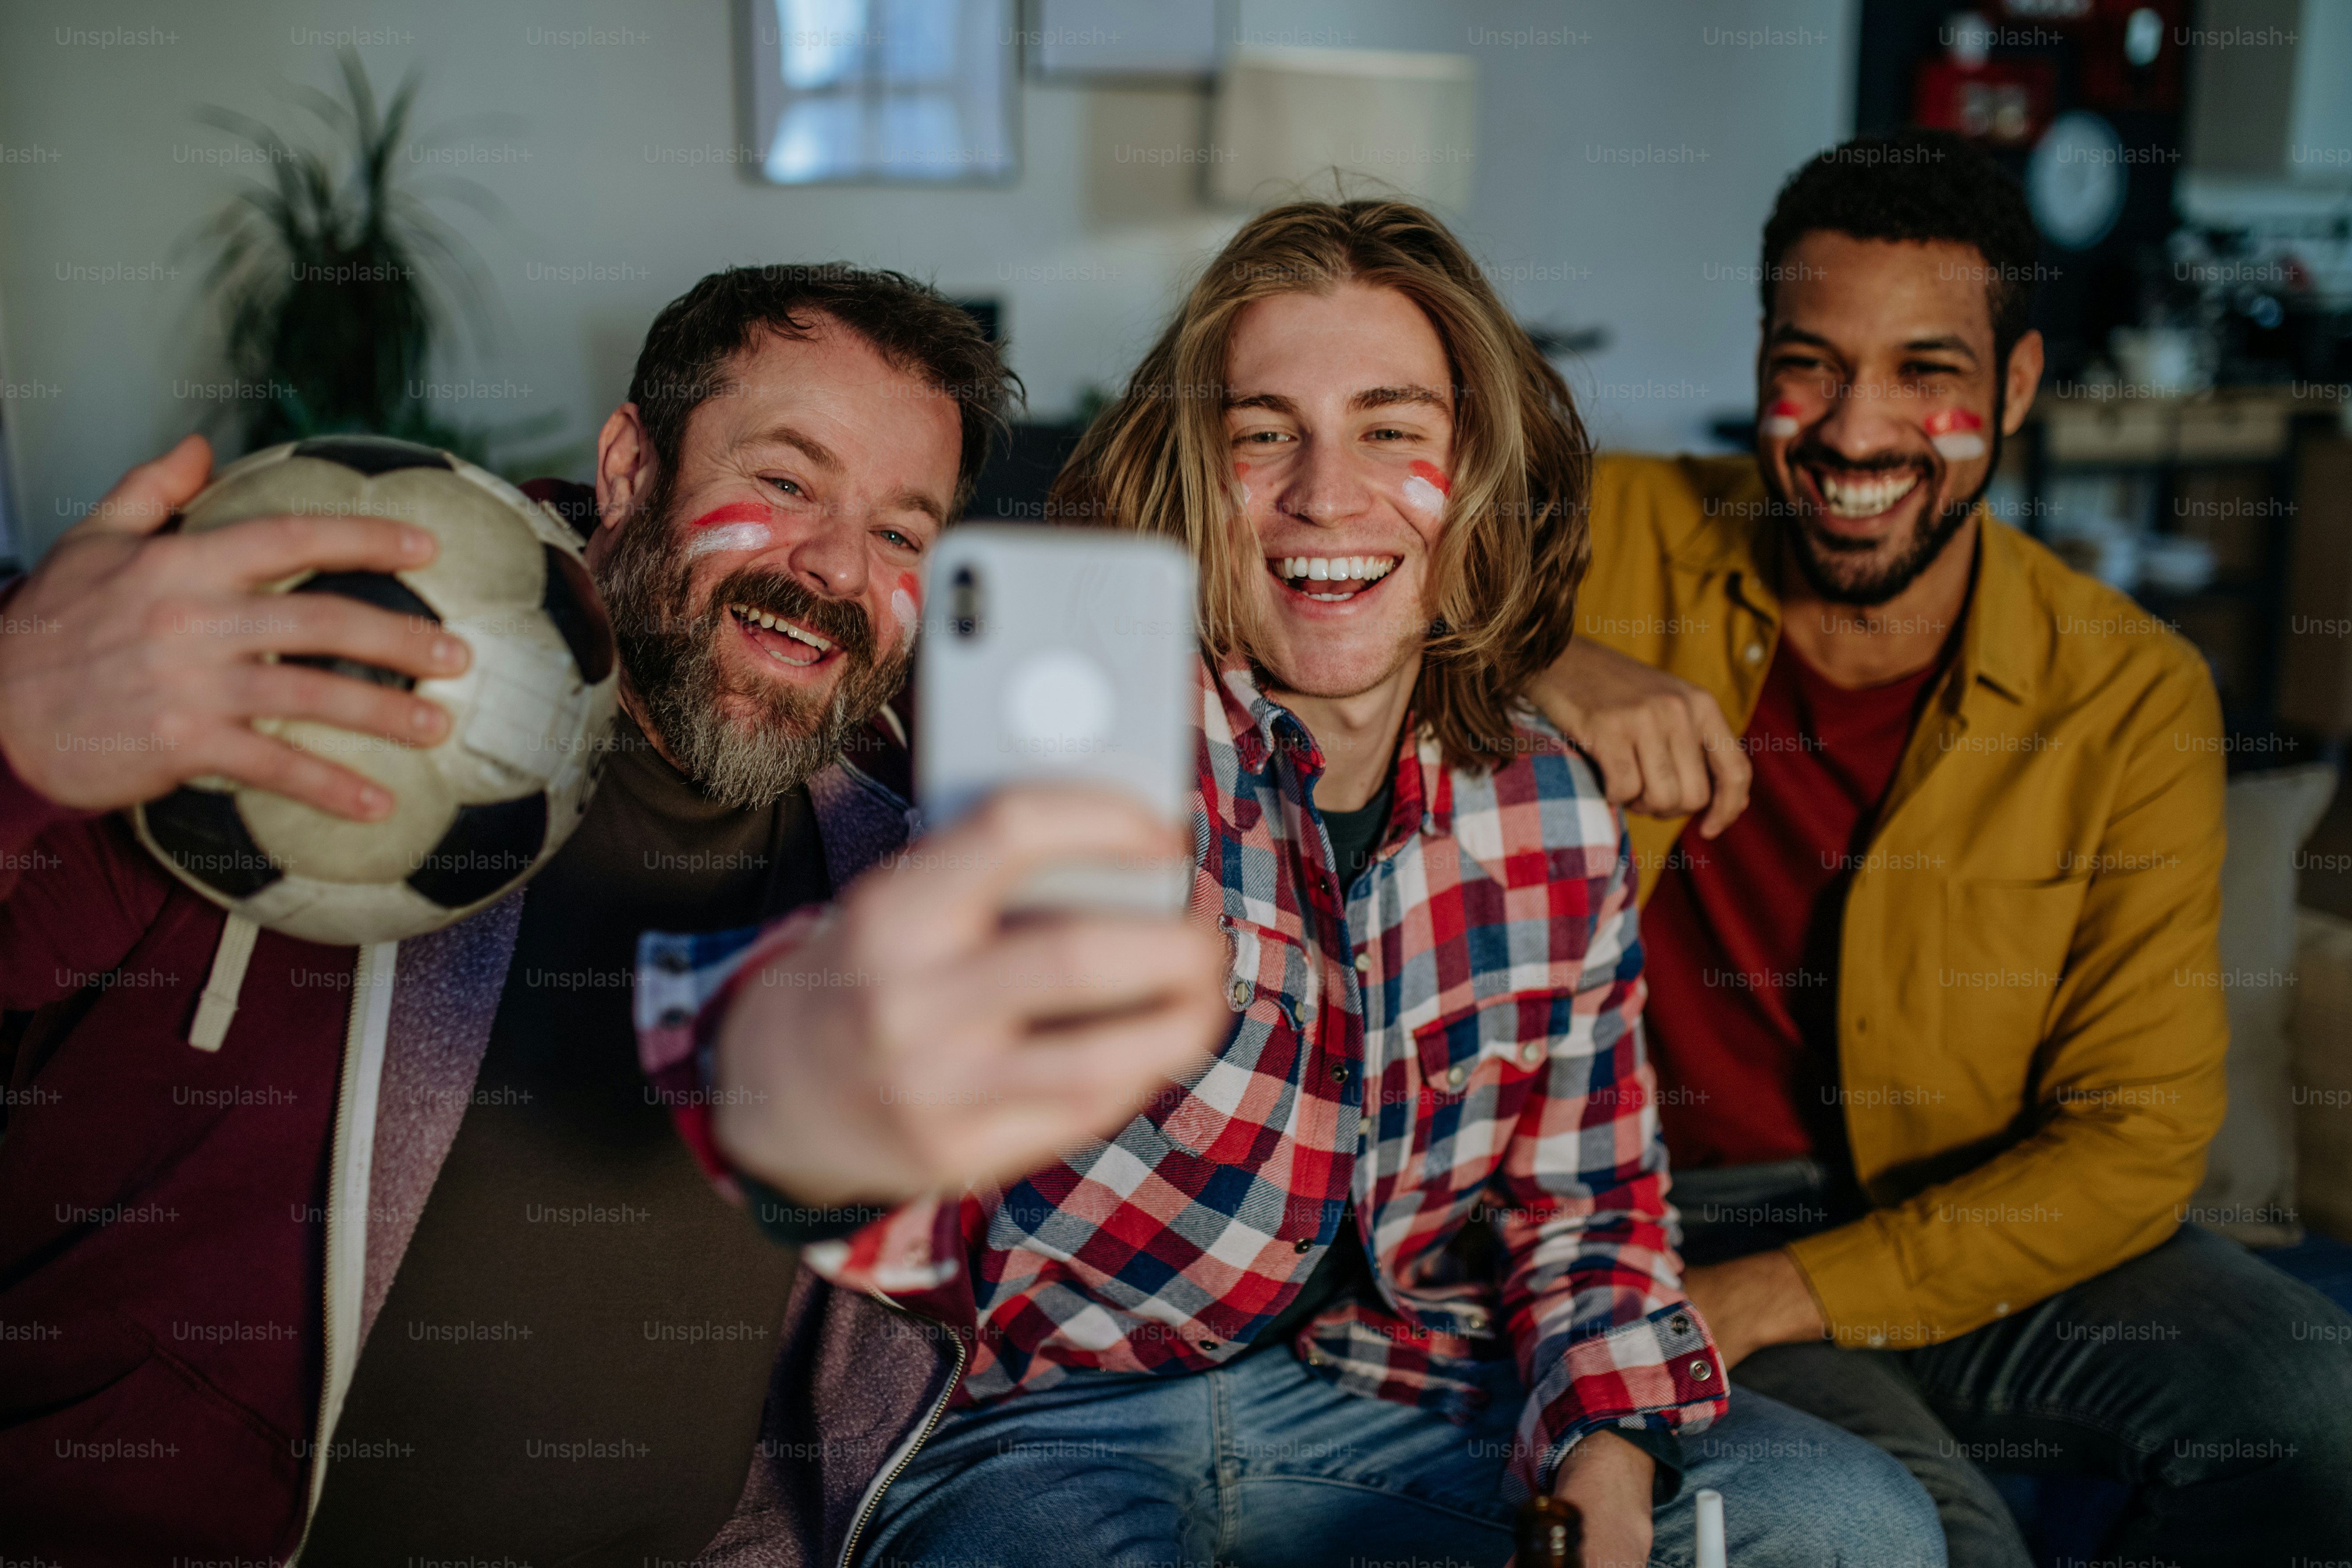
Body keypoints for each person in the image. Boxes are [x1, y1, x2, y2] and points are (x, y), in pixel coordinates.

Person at [656, 200, 1944, 1568]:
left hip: (1399, 1395)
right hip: (1039, 1422)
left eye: (1393, 429)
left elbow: (1593, 1214)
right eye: (1261, 433)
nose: (1326, 493)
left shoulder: (1550, 815)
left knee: (1855, 1526)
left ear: (1479, 471)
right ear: (1195, 480)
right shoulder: (1091, 741)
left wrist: (1606, 1467)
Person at [0, 264, 1224, 1565]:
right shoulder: (329, 669)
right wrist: (18, 737)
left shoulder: (910, 837)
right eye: (788, 482)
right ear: (634, 469)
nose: (836, 568)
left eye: (902, 534)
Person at [1528, 129, 2352, 1567]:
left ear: (2015, 388)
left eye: (1926, 372)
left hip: (1985, 1204)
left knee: (2321, 1406)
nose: (1853, 433)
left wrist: (1783, 1292)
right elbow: (1280, 558)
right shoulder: (1606, 531)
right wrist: (1542, 654)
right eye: (1811, 364)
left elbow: (2136, 1145)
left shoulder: (2127, 690)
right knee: (1930, 1537)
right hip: (1679, 1208)